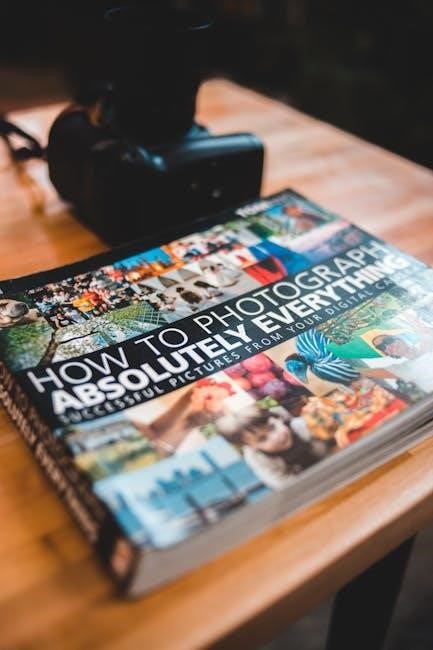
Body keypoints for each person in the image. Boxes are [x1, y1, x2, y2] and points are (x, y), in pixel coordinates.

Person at [216, 405, 319, 490]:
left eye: (272, 427)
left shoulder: (300, 426)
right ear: (252, 447)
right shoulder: (258, 458)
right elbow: (282, 484)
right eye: (262, 439)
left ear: (278, 418)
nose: (276, 437)